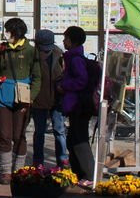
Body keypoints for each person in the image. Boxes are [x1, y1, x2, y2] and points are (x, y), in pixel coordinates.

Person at [0, 17, 40, 184]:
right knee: (5, 135)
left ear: (17, 32)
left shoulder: (30, 51)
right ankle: (6, 172)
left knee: (19, 135)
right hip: (2, 96)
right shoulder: (2, 48)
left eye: (8, 31)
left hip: (22, 98)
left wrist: (31, 97)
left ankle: (19, 171)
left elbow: (37, 77)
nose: (6, 34)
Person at [58, 25, 95, 183]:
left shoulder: (76, 59)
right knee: (73, 139)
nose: (63, 41)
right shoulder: (72, 57)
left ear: (72, 41)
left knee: (79, 140)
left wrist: (64, 86)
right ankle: (79, 173)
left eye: (65, 38)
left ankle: (89, 175)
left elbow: (81, 80)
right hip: (75, 106)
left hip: (79, 106)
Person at [30, 29, 69, 168]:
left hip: (57, 99)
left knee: (59, 131)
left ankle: (63, 159)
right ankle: (38, 161)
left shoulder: (60, 55)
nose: (46, 51)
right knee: (39, 132)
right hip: (38, 99)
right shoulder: (32, 56)